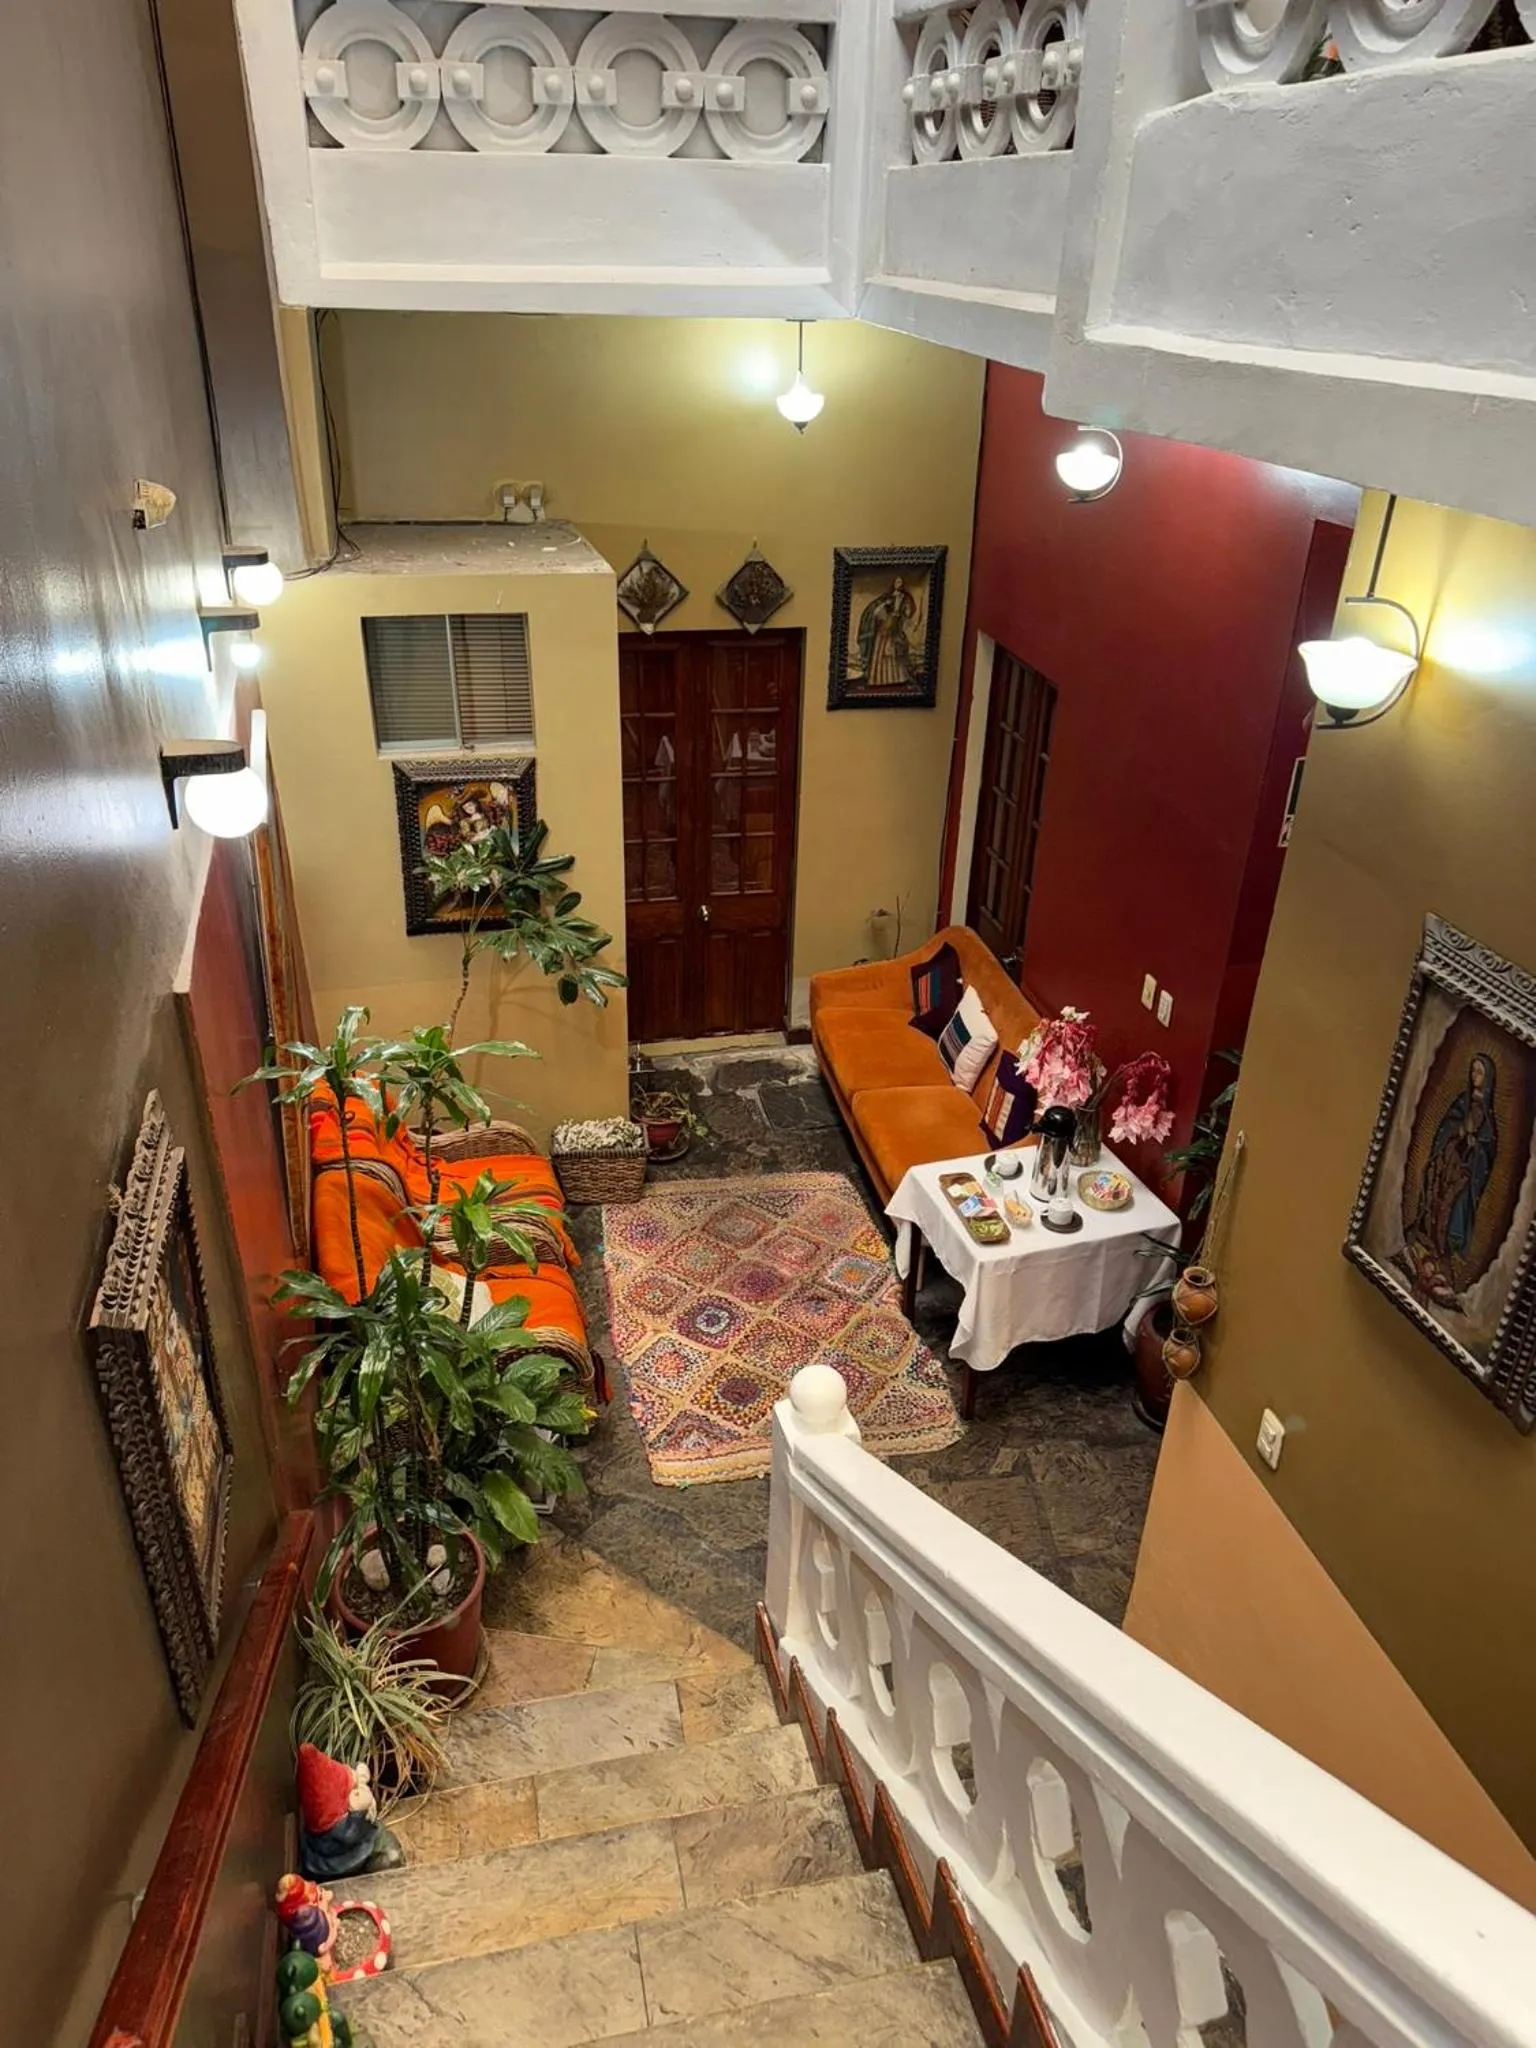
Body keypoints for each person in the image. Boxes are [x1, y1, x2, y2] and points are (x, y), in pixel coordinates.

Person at [1397, 1051, 1499, 1309]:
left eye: (1480, 1072)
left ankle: (1443, 1253)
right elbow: (1446, 1129)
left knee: (1454, 1205)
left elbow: (1487, 1153)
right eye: (1473, 1071)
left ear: (1488, 1078)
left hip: (1465, 1172)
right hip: (1448, 1162)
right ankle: (1425, 1243)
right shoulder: (1462, 1102)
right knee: (1435, 1195)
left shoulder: (1488, 1118)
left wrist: (1476, 1147)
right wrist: (1460, 1131)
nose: (1475, 1076)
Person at [854, 577, 919, 689]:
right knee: (880, 652)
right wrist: (885, 605)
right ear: (893, 583)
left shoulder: (905, 598)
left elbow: (908, 613)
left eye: (901, 582)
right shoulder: (887, 597)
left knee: (895, 651)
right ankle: (878, 680)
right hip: (884, 628)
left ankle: (898, 678)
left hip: (896, 629)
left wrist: (904, 611)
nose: (899, 584)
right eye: (897, 581)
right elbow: (875, 611)